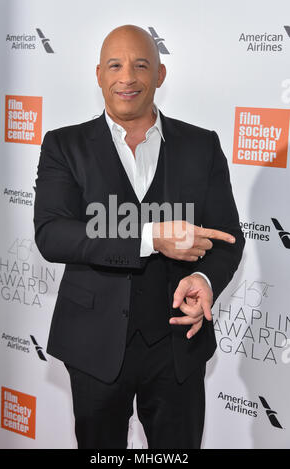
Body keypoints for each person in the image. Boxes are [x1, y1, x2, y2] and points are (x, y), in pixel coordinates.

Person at [33, 24, 245, 449]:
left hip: (177, 346)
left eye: (140, 65)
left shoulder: (202, 146)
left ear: (160, 75)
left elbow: (227, 238)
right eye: (115, 65)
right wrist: (149, 237)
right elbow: (53, 234)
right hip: (93, 345)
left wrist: (203, 281)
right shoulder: (63, 145)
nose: (126, 77)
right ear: (98, 74)